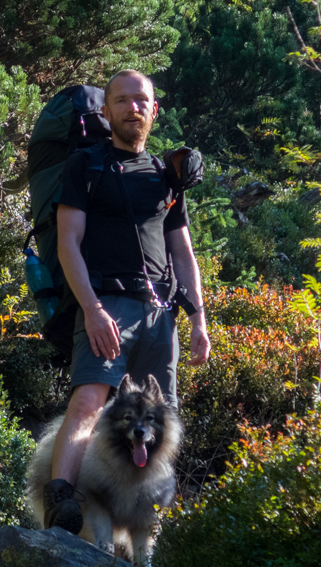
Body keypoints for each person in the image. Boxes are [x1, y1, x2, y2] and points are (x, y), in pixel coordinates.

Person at [42, 69, 211, 534]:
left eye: (141, 101)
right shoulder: (86, 167)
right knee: (90, 401)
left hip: (161, 314)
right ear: (105, 110)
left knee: (162, 415)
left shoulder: (165, 175)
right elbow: (67, 244)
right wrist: (92, 309)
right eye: (122, 100)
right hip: (106, 304)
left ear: (155, 110)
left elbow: (183, 253)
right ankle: (62, 505)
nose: (133, 107)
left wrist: (198, 318)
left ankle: (151, 527)